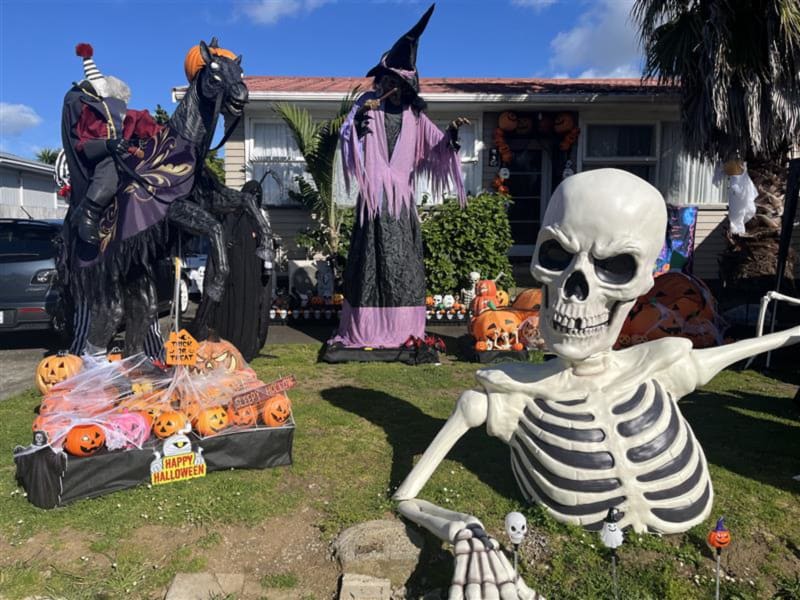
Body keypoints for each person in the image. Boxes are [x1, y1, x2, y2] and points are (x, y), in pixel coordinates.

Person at [328, 4, 467, 353]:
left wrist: (450, 137)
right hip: (373, 205)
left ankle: (403, 329)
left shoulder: (414, 118)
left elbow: (436, 148)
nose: (393, 87)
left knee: (403, 267)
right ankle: (368, 329)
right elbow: (347, 136)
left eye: (399, 83)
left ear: (407, 87)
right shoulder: (367, 105)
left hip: (401, 208)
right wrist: (359, 124)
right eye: (388, 81)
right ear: (382, 80)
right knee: (369, 267)